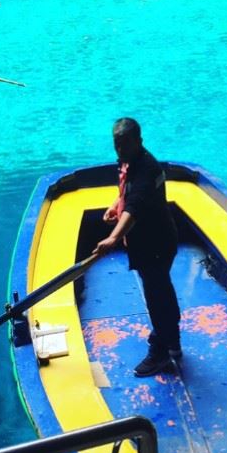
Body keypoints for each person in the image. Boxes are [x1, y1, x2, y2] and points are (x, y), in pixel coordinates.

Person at [93, 118, 182, 377]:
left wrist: (112, 238)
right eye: (117, 145)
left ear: (139, 142)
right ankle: (173, 341)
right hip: (147, 242)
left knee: (157, 297)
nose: (120, 151)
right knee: (161, 290)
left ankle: (161, 352)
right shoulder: (128, 161)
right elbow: (126, 194)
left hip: (156, 243)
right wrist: (115, 205)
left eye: (125, 145)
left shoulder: (147, 168)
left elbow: (134, 208)